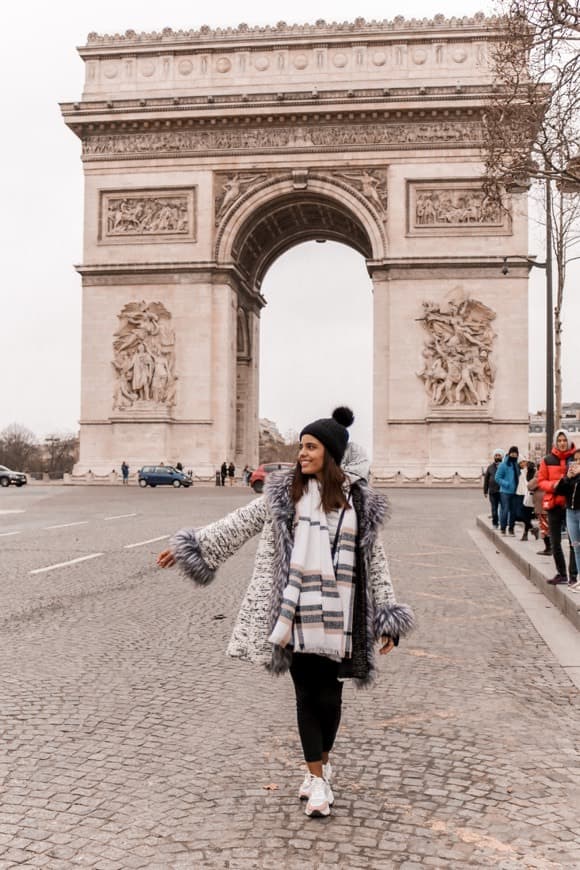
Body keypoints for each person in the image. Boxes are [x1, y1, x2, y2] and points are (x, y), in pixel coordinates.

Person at [157, 407, 414, 818]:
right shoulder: (282, 495)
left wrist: (387, 615)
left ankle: (321, 766)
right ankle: (316, 777)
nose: (301, 454)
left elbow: (376, 562)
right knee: (306, 693)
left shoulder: (359, 505)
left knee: (330, 697)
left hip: (342, 615)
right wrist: (193, 545)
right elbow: (237, 523)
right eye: (301, 447)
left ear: (329, 454)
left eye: (310, 447)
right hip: (293, 613)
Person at [538, 429, 578, 585]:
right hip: (554, 504)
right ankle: (561, 573)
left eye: (564, 440)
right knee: (555, 542)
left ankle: (573, 575)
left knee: (574, 542)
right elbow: (541, 481)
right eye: (559, 440)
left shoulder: (576, 458)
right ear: (556, 442)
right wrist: (554, 485)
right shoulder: (547, 460)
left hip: (571, 505)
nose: (562, 443)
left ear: (568, 441)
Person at [554, 447, 580, 589]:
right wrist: (567, 477)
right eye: (575, 460)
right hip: (571, 512)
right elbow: (559, 491)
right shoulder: (572, 476)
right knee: (576, 546)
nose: (577, 462)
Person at [494, 446, 520, 535]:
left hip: (515, 492)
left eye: (515, 453)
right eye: (512, 453)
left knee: (513, 511)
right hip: (505, 492)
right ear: (509, 453)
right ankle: (503, 528)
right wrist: (506, 484)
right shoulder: (503, 465)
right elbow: (497, 478)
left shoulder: (516, 465)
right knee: (505, 510)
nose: (514, 455)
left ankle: (511, 529)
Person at [514, 457, 539, 541]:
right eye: (520, 462)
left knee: (526, 515)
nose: (523, 464)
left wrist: (531, 468)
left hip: (529, 496)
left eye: (524, 462)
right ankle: (533, 529)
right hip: (520, 494)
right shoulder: (519, 471)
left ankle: (525, 534)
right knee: (519, 515)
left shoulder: (531, 470)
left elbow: (533, 480)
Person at [483, 449, 504, 528]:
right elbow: (486, 480)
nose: (497, 457)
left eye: (499, 455)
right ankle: (495, 523)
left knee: (503, 509)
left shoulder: (505, 466)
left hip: (503, 491)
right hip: (492, 491)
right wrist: (485, 491)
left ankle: (503, 523)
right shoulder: (490, 467)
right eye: (496, 455)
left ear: (502, 456)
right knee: (494, 509)